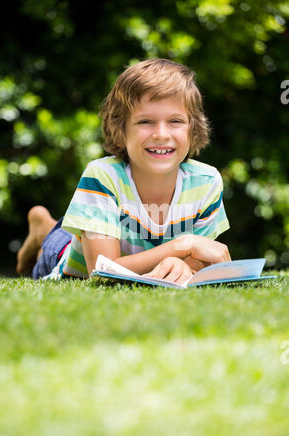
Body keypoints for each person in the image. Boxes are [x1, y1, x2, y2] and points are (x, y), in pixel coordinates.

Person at [16, 58, 231, 285]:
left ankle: (46, 226)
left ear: (192, 129)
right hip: (69, 257)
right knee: (56, 245)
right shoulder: (102, 176)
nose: (161, 134)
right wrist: (182, 246)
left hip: (98, 231)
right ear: (121, 130)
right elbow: (101, 270)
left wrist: (183, 263)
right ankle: (43, 230)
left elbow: (201, 261)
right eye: (145, 121)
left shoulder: (206, 182)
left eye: (175, 121)